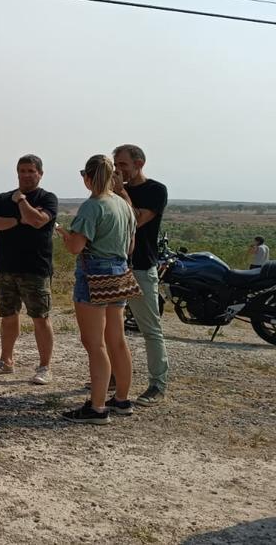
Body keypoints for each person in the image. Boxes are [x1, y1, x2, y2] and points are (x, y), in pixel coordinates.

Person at [56, 154, 136, 424]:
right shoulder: (123, 204)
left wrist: (66, 236)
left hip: (94, 275)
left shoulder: (92, 206)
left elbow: (76, 247)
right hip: (120, 273)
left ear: (88, 178)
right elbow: (130, 245)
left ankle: (97, 407)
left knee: (94, 343)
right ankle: (122, 399)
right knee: (117, 339)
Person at [0, 155, 59, 385]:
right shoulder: (3, 198)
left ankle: (45, 367)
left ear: (40, 174)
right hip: (6, 268)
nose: (25, 175)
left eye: (30, 171)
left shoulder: (47, 198)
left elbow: (37, 220)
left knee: (40, 317)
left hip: (35, 269)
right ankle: (6, 361)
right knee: (7, 315)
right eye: (22, 170)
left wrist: (22, 201)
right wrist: (17, 220)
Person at [113, 144, 169, 407]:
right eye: (116, 164)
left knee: (150, 328)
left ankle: (158, 383)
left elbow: (135, 219)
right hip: (114, 266)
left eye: (123, 164)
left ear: (139, 163)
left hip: (141, 267)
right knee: (112, 328)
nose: (118, 169)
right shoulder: (112, 191)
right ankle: (116, 376)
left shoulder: (155, 191)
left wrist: (121, 194)